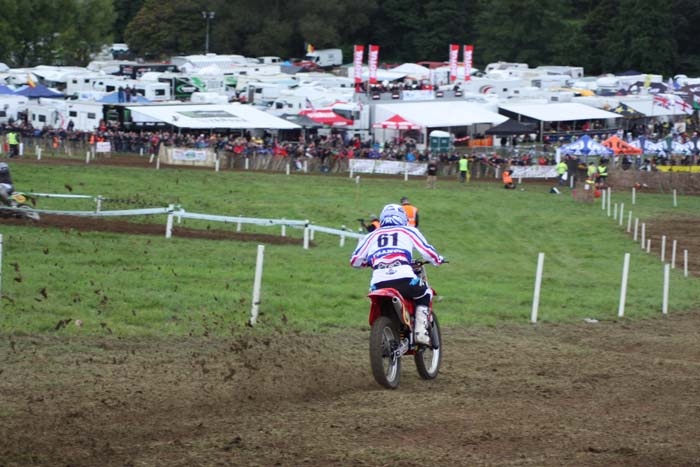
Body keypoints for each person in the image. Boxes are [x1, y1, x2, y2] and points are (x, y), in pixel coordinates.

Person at [350, 204, 445, 345]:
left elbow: (355, 260)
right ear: (402, 218)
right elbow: (427, 251)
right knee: (425, 292)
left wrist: (368, 263)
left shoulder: (372, 235)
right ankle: (420, 332)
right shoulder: (408, 230)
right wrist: (438, 259)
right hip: (404, 278)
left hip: (378, 283)